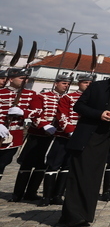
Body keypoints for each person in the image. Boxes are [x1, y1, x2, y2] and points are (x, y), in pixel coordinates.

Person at [59, 59, 110, 227]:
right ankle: (72, 216)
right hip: (88, 137)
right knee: (79, 175)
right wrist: (99, 114)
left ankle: (85, 215)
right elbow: (79, 106)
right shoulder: (97, 87)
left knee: (93, 177)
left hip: (106, 138)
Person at [40, 73, 93, 206]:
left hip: (80, 137)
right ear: (79, 83)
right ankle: (47, 196)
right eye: (85, 82)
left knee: (67, 166)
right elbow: (62, 115)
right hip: (64, 136)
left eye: (90, 83)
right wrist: (69, 130)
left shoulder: (93, 100)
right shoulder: (68, 97)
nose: (88, 85)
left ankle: (58, 195)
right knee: (53, 165)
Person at [12, 74, 62, 202]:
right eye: (63, 83)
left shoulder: (64, 98)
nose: (65, 86)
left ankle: (31, 192)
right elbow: (35, 112)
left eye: (67, 84)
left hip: (52, 135)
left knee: (42, 164)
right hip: (37, 133)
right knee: (27, 163)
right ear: (56, 83)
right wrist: (44, 125)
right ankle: (18, 193)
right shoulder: (42, 96)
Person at [1, 68, 39, 199]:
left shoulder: (31, 94)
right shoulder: (1, 92)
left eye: (26, 78)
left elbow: (37, 111)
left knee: (4, 162)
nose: (25, 81)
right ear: (10, 79)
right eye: (22, 78)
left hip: (15, 133)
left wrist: (23, 112)